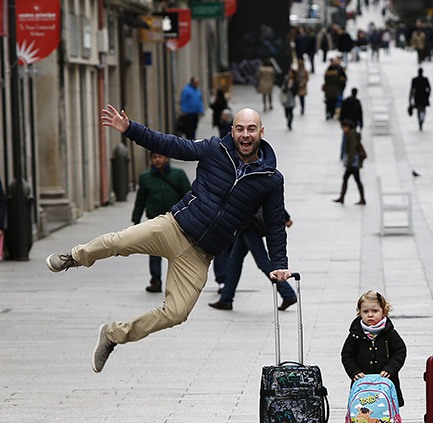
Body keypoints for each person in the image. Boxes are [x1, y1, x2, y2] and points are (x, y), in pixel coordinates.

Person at [46, 105, 292, 373]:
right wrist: (130, 129)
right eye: (240, 129)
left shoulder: (270, 179)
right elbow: (172, 145)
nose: (246, 135)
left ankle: (113, 335)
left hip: (200, 255)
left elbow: (275, 223)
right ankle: (74, 257)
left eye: (251, 129)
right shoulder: (214, 150)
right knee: (119, 241)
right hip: (174, 227)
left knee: (176, 313)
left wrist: (279, 262)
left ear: (261, 132)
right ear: (232, 131)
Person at [208, 209, 297, 312]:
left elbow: (264, 195)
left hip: (249, 223)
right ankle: (225, 299)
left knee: (262, 261)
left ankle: (288, 294)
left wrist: (285, 217)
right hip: (246, 222)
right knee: (235, 261)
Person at [131, 152, 192, 293]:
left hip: (176, 220)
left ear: (167, 158)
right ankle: (155, 280)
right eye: (154, 157)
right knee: (154, 251)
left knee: (178, 251)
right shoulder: (145, 178)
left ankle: (179, 281)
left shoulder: (178, 174)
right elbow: (140, 200)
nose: (158, 160)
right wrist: (136, 220)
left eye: (160, 156)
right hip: (155, 220)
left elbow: (188, 195)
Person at [341, 290, 407, 410]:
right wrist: (354, 371)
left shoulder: (389, 332)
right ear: (359, 313)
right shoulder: (356, 334)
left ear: (384, 312)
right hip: (363, 383)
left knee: (387, 411)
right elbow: (347, 354)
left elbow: (400, 351)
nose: (370, 315)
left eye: (375, 311)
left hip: (386, 381)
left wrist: (390, 369)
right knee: (363, 410)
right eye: (365, 311)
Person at [332, 119, 366, 205]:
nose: (343, 129)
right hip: (354, 162)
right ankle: (345, 198)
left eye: (343, 127)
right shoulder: (351, 134)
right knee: (354, 179)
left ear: (348, 127)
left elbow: (352, 149)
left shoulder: (351, 135)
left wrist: (349, 161)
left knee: (348, 178)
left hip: (353, 162)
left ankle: (343, 198)